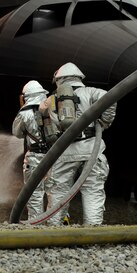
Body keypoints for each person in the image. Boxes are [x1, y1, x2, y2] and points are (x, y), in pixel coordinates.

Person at [40, 63, 116, 226]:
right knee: (93, 193)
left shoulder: (51, 99)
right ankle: (93, 233)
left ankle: (54, 234)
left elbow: (41, 114)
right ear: (80, 78)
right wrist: (104, 122)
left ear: (59, 80)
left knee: (59, 194)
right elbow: (112, 99)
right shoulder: (92, 92)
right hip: (91, 150)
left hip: (65, 151)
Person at [12, 80, 52, 222]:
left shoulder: (24, 113)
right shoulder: (52, 108)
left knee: (34, 192)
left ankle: (36, 223)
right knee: (55, 191)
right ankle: (56, 223)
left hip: (34, 156)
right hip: (54, 155)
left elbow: (17, 133)